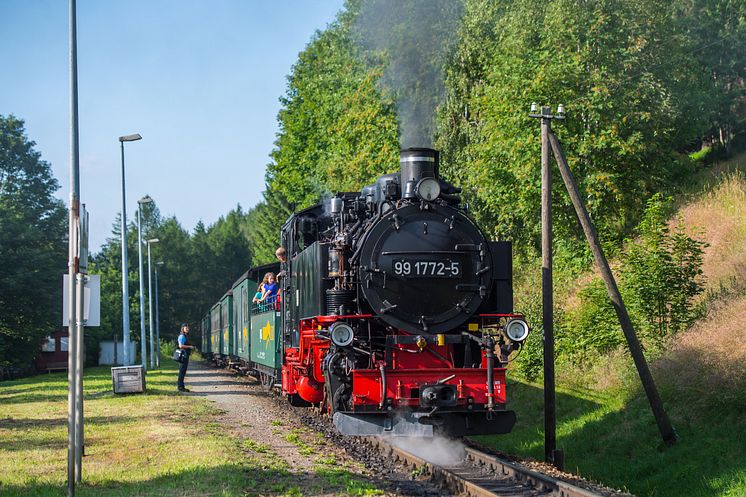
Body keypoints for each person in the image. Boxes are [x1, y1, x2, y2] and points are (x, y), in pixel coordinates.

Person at [177, 323, 196, 392]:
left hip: (185, 356)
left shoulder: (185, 336)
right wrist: (190, 347)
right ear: (183, 329)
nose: (187, 329)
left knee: (183, 371)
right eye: (186, 328)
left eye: (188, 327)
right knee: (182, 371)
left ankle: (182, 386)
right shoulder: (182, 336)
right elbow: (181, 346)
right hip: (183, 356)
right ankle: (180, 387)